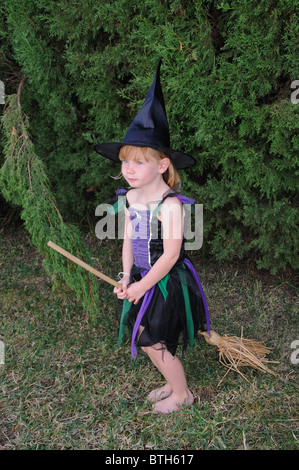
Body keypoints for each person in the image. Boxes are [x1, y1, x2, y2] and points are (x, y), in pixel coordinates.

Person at [94, 59, 210, 413]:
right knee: (142, 333)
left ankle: (182, 393)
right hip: (143, 277)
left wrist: (143, 287)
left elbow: (171, 255)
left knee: (153, 337)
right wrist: (127, 276)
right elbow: (129, 238)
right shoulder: (129, 197)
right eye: (125, 161)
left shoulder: (170, 206)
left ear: (162, 165)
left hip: (165, 280)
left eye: (139, 161)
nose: (128, 169)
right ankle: (170, 381)